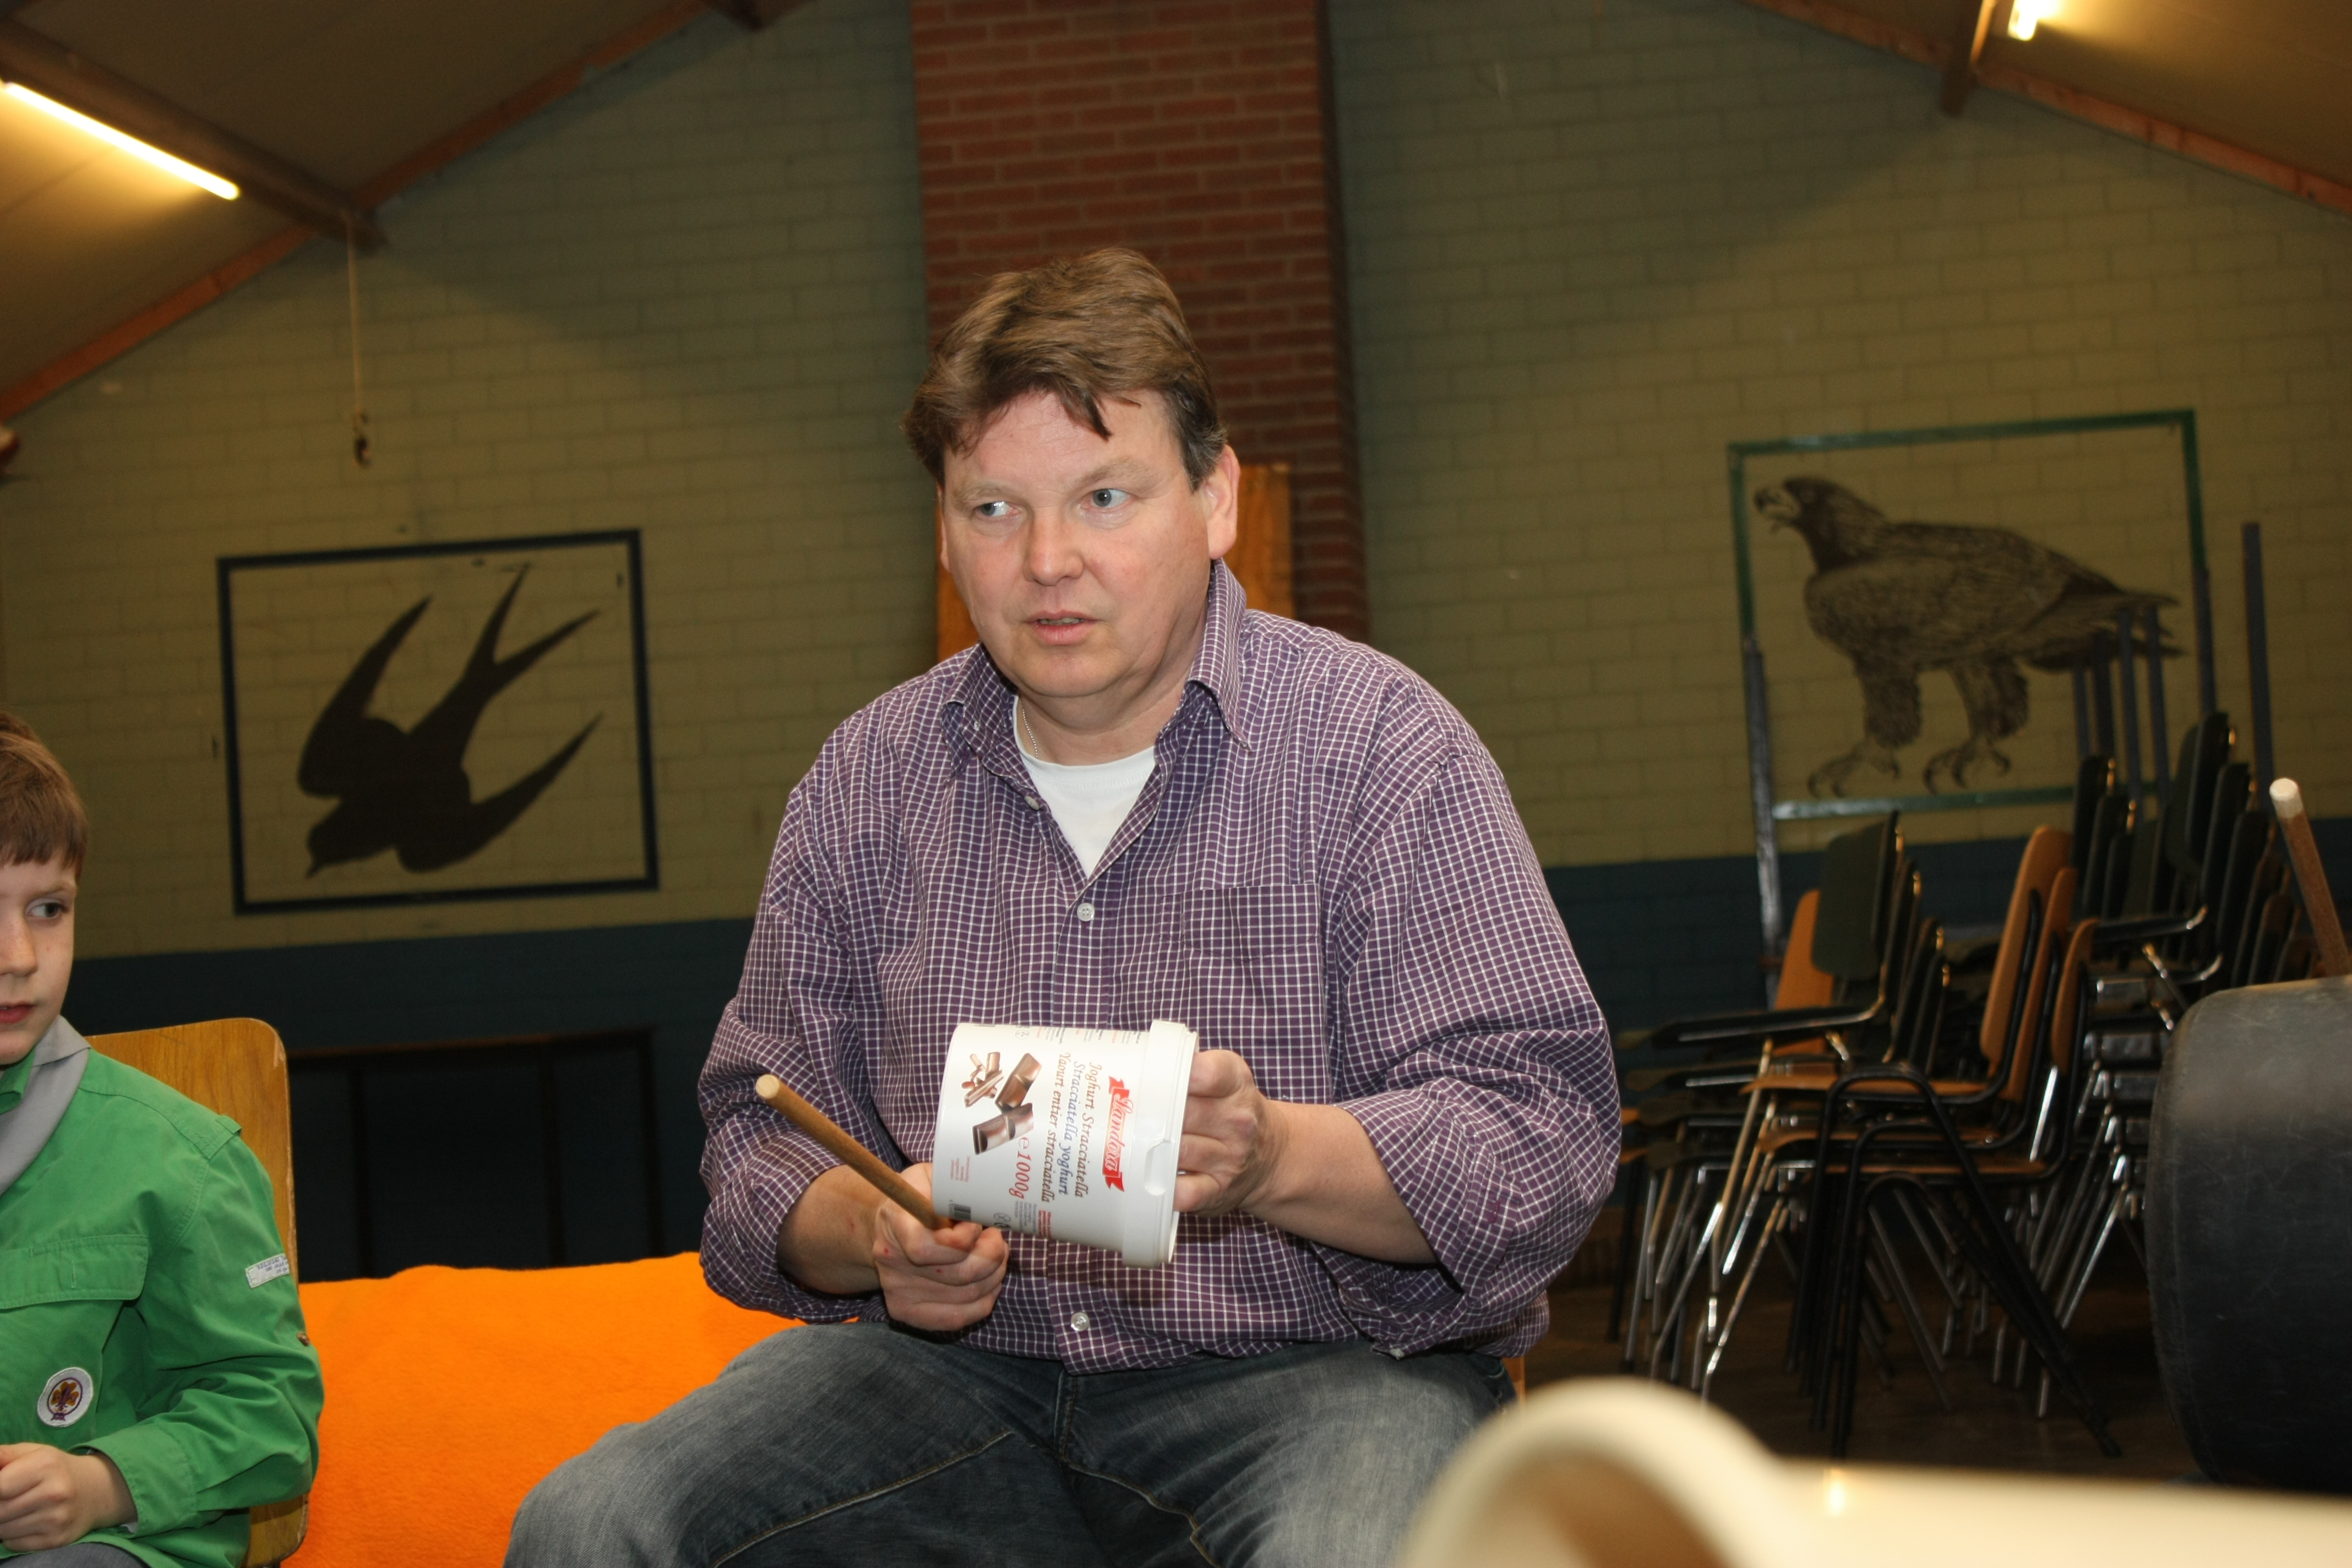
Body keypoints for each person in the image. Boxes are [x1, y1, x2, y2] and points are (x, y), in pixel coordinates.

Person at [509, 249, 1617, 1566]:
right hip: (956, 1376)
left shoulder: (1382, 750)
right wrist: (873, 1231)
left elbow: (1540, 1139)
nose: (1047, 561)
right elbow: (756, 1139)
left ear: (1215, 498)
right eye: (993, 507)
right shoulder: (866, 783)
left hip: (1323, 1375)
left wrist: (1273, 1156)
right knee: (592, 1521)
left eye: (1104, 496)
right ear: (942, 531)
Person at [0, 716, 322, 1568]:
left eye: (48, 909)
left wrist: (102, 1483)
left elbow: (276, 1411)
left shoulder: (177, 1158)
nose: (19, 955)